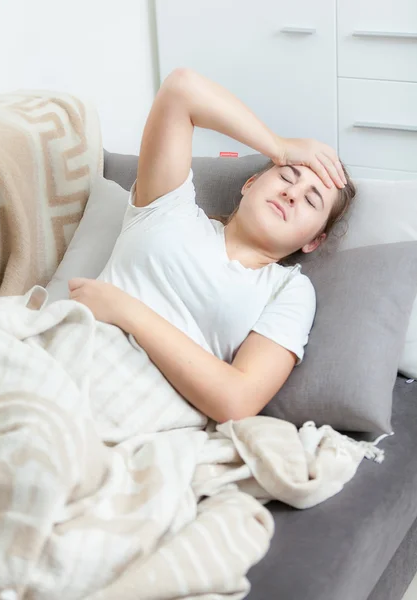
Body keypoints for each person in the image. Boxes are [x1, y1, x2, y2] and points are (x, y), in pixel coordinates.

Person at [68, 68, 356, 424]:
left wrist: (126, 310)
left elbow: (236, 401)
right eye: (286, 176)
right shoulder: (169, 208)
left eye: (312, 202)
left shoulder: (289, 290)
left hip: (132, 401)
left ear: (314, 241)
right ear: (250, 184)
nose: (291, 193)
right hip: (70, 346)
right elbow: (182, 89)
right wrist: (280, 146)